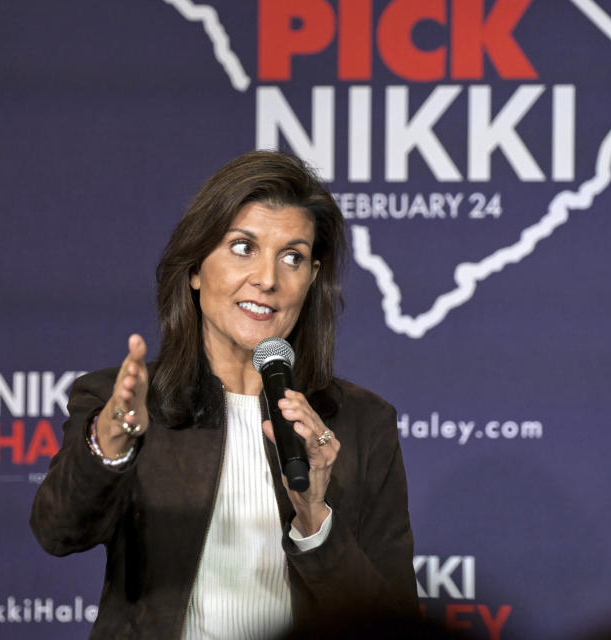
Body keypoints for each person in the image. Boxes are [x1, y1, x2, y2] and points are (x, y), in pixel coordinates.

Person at [30, 151, 418, 639]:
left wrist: (316, 520)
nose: (267, 279)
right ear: (195, 268)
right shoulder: (123, 402)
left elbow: (394, 621)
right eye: (243, 248)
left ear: (312, 280)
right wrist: (110, 442)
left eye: (292, 257)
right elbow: (58, 532)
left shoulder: (361, 422)